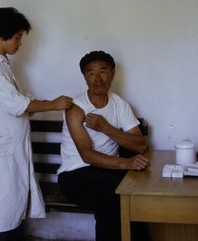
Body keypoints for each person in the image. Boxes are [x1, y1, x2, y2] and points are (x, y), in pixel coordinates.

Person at [0, 7, 73, 241]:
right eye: (17, 38)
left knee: (7, 213)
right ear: (2, 35)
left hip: (7, 153)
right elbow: (18, 104)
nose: (20, 43)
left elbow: (24, 102)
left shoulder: (3, 66)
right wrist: (53, 105)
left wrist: (46, 103)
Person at [57, 50, 149, 241]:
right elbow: (86, 155)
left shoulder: (119, 104)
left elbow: (140, 145)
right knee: (115, 194)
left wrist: (106, 128)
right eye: (91, 72)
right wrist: (126, 163)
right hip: (75, 175)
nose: (97, 78)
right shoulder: (76, 108)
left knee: (134, 195)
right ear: (85, 77)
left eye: (103, 71)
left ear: (113, 74)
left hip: (108, 171)